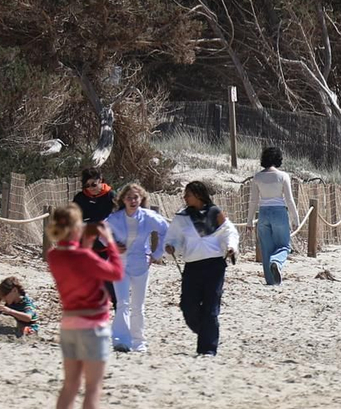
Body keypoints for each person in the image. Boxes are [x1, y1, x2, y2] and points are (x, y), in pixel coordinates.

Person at [42, 202, 124, 409]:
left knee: (69, 387)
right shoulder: (83, 257)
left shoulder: (55, 256)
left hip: (69, 324)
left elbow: (79, 266)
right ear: (76, 227)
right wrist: (109, 242)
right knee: (92, 390)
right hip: (93, 326)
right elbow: (115, 273)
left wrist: (86, 243)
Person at [164, 180, 238, 357]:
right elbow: (173, 238)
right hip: (193, 266)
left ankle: (208, 348)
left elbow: (230, 233)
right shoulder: (181, 217)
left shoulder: (215, 213)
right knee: (188, 306)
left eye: (188, 194)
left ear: (198, 195)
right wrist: (171, 246)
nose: (185, 198)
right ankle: (205, 331)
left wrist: (231, 246)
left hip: (215, 265)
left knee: (211, 308)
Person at [105, 184, 166, 352]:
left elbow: (165, 231)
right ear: (123, 200)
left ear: (141, 199)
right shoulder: (114, 218)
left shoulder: (149, 217)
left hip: (141, 264)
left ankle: (139, 342)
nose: (132, 201)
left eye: (136, 197)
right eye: (129, 197)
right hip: (119, 264)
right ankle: (121, 341)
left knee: (138, 305)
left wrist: (156, 253)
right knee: (123, 303)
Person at [249, 146, 300, 285]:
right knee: (283, 246)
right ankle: (277, 262)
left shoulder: (257, 177)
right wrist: (296, 218)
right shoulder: (283, 176)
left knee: (266, 248)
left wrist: (249, 221)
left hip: (263, 213)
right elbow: (289, 200)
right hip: (279, 212)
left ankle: (271, 282)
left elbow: (253, 200)